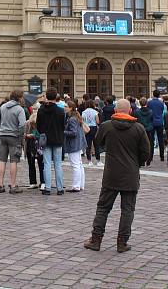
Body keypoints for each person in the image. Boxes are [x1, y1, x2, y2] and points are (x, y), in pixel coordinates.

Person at [83, 98, 149, 253]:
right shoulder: (138, 128)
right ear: (130, 111)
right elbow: (146, 152)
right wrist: (135, 163)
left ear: (115, 111)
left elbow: (97, 142)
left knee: (103, 208)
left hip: (111, 174)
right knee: (127, 210)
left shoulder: (107, 126)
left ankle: (96, 239)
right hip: (130, 175)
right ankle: (122, 242)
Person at [0, 91, 27, 194]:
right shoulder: (19, 109)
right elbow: (22, 125)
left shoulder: (3, 107)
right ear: (19, 98)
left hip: (3, 135)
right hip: (14, 136)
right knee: (14, 161)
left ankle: (1, 184)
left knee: (2, 160)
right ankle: (13, 185)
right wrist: (21, 137)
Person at [36, 90, 66, 195]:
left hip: (46, 139)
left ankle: (47, 188)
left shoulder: (41, 110)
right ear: (55, 97)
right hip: (57, 138)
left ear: (47, 97)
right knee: (58, 164)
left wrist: (43, 133)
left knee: (47, 164)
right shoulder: (61, 111)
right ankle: (60, 188)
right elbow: (63, 126)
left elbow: (38, 127)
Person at [64, 100, 87, 193]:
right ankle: (80, 185)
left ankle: (76, 186)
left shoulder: (72, 119)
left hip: (73, 144)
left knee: (75, 165)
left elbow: (73, 133)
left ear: (70, 108)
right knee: (79, 165)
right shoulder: (75, 117)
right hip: (78, 143)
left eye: (66, 106)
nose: (64, 107)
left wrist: (63, 132)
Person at [24, 103, 45, 190]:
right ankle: (33, 182)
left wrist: (33, 135)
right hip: (30, 146)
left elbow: (42, 135)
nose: (33, 125)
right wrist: (26, 135)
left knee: (41, 165)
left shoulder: (41, 123)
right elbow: (24, 135)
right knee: (31, 164)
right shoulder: (27, 124)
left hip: (39, 147)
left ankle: (43, 182)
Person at [132, 98, 154, 165]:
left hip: (140, 129)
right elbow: (152, 120)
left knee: (140, 145)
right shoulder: (151, 111)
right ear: (146, 103)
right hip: (149, 130)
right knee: (150, 145)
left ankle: (141, 161)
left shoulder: (136, 112)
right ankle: (149, 160)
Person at [148, 90, 166, 162]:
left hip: (152, 122)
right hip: (159, 122)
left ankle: (150, 157)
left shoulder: (149, 103)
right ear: (159, 95)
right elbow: (161, 111)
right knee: (160, 140)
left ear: (153, 94)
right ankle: (162, 157)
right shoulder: (161, 103)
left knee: (151, 140)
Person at [82, 100, 101, 166]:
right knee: (96, 145)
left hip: (87, 128)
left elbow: (82, 121)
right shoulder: (95, 112)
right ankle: (98, 161)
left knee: (88, 145)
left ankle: (89, 161)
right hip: (94, 128)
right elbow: (98, 121)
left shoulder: (84, 112)